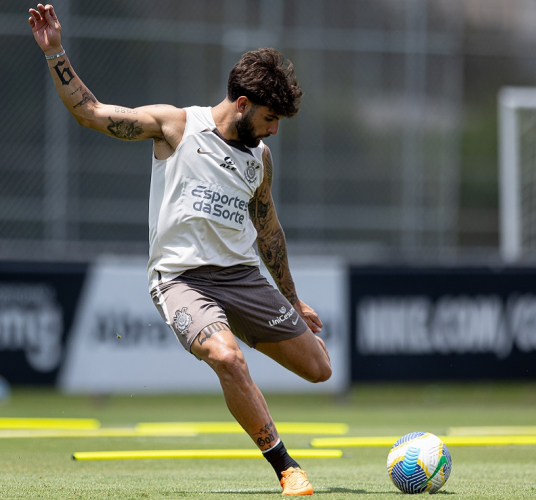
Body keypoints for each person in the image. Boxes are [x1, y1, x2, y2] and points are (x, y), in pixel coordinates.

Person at [29, 4, 331, 496]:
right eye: (270, 117)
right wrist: (55, 52)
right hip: (182, 280)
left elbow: (268, 229)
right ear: (241, 102)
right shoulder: (176, 127)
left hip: (243, 278)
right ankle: (286, 467)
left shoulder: (261, 158)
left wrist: (291, 298)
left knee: (320, 369)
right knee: (227, 358)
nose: (274, 129)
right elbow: (91, 113)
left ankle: (244, 325)